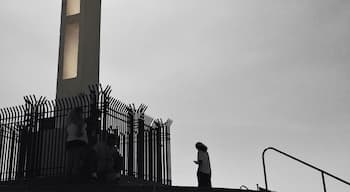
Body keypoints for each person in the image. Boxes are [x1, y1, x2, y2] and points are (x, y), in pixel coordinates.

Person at [65, 107, 89, 180]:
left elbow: (67, 133)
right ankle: (75, 176)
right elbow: (79, 132)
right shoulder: (79, 121)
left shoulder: (69, 122)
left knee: (70, 160)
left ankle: (68, 176)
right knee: (77, 160)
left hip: (70, 141)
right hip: (79, 142)